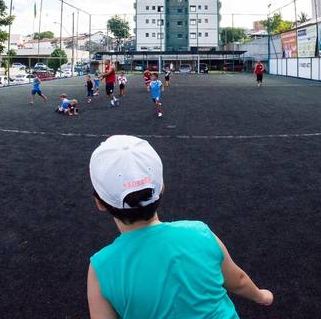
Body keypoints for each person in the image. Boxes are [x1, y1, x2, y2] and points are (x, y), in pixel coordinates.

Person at [87, 135, 273, 319]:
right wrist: (261, 296)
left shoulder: (101, 267)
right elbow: (238, 280)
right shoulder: (199, 232)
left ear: (99, 203)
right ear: (162, 188)